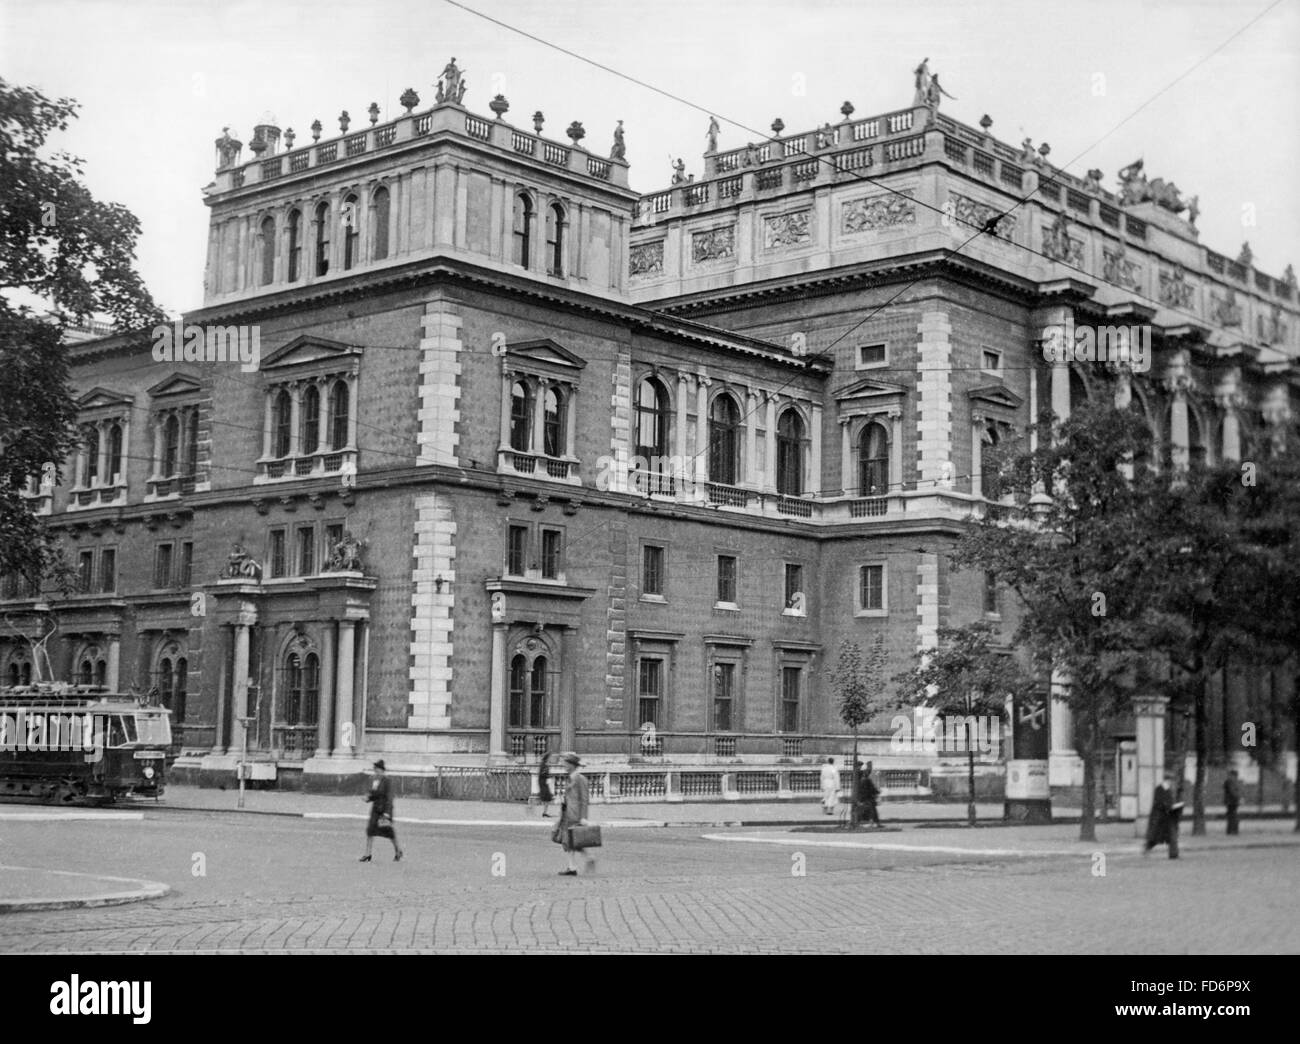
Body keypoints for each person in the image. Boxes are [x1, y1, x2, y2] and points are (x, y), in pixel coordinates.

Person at [555, 751, 593, 876]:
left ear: (572, 764)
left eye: (565, 763)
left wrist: (583, 817)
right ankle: (572, 866)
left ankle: (587, 859)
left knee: (573, 840)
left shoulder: (580, 779)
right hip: (567, 814)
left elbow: (584, 799)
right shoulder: (570, 778)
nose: (564, 766)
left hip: (576, 815)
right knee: (569, 841)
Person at [360, 759, 402, 862]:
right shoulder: (375, 781)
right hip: (376, 809)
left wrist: (387, 813)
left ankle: (398, 850)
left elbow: (390, 797)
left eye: (378, 769)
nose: (376, 771)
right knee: (370, 830)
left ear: (382, 770)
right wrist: (368, 798)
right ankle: (368, 854)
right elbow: (374, 794)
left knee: (388, 832)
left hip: (384, 810)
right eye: (375, 769)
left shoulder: (387, 781)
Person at [1143, 773, 1181, 859]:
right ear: (1167, 780)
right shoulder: (1159, 789)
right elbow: (1159, 803)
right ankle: (1147, 848)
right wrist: (1169, 806)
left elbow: (1169, 802)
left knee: (1170, 836)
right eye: (1171, 780)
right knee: (1156, 837)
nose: (1171, 782)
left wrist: (1173, 806)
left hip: (1167, 817)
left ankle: (1173, 854)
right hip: (1159, 817)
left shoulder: (1168, 790)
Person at [857, 762, 882, 827]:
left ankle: (873, 822)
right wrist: (877, 792)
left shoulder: (862, 778)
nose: (869, 771)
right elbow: (871, 788)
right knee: (871, 810)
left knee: (869, 810)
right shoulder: (866, 779)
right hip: (867, 797)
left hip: (865, 796)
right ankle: (873, 822)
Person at [537, 750, 554, 818]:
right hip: (543, 782)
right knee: (545, 797)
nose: (551, 758)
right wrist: (548, 775)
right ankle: (543, 811)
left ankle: (545, 812)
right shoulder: (543, 764)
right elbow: (542, 774)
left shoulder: (545, 764)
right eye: (550, 757)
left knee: (547, 798)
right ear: (547, 757)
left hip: (544, 782)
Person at [1224, 769, 1241, 836]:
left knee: (1231, 816)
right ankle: (1233, 831)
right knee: (1233, 816)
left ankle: (1231, 831)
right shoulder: (1231, 781)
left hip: (1230, 801)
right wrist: (1238, 798)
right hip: (1232, 801)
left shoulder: (1230, 780)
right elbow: (1232, 791)